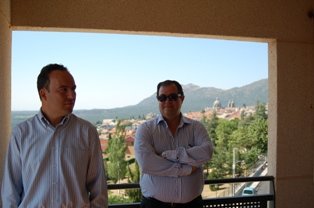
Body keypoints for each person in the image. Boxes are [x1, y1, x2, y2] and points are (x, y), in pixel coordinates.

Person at [1, 64, 108, 207]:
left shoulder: (87, 132)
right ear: (43, 94)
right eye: (63, 90)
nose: (72, 96)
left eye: (73, 89)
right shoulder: (21, 134)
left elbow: (99, 190)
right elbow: (10, 192)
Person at [135, 80, 214, 208]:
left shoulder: (196, 128)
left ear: (181, 98)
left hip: (192, 204)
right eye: (162, 97)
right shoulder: (145, 129)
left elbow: (207, 152)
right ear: (158, 100)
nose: (167, 101)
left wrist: (173, 155)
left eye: (172, 97)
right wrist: (187, 168)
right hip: (154, 205)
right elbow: (146, 163)